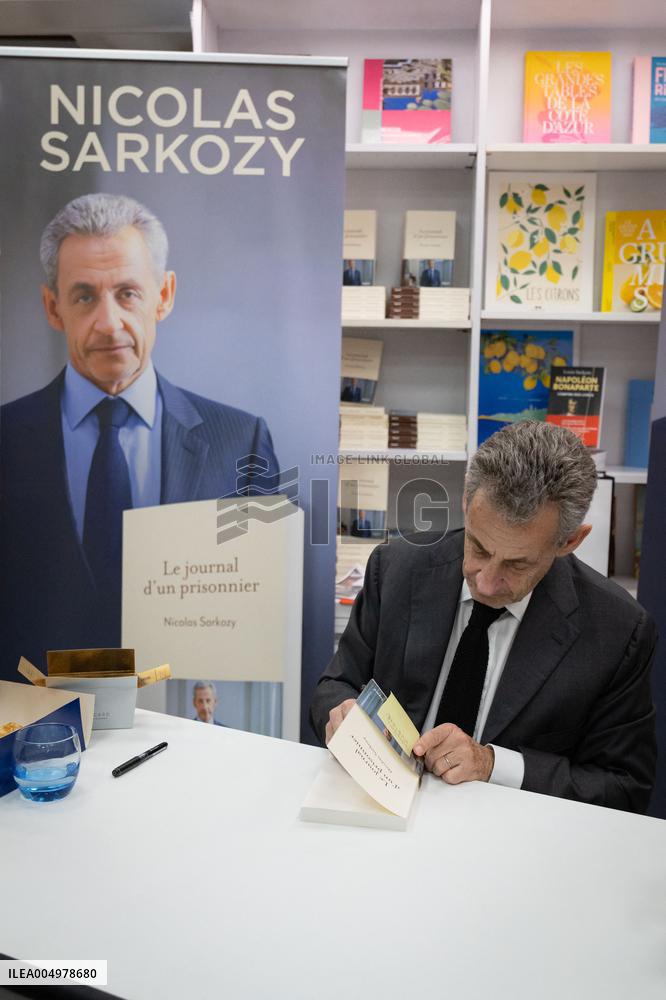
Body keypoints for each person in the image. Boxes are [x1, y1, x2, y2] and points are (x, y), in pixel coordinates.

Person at [310, 421, 657, 813]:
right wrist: (341, 713)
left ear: (570, 541)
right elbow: (335, 684)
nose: (487, 584)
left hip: (513, 833)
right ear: (466, 501)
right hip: (380, 815)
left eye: (517, 563)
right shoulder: (395, 569)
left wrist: (493, 765)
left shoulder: (617, 631)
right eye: (478, 547)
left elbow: (624, 786)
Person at [0, 193, 279, 679]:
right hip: (31, 721)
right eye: (84, 296)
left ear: (163, 295)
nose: (109, 324)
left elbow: (265, 619)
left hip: (187, 718)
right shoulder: (6, 439)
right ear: (52, 307)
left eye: (128, 292)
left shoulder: (242, 443)